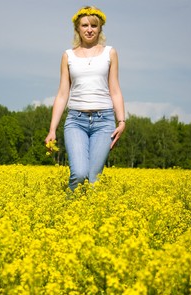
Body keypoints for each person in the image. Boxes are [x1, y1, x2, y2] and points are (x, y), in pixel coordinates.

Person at [45, 6, 126, 191]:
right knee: (79, 174)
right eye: (85, 25)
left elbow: (115, 89)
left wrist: (121, 121)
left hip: (104, 121)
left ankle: (88, 217)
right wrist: (52, 130)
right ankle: (70, 215)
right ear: (77, 28)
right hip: (76, 121)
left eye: (94, 26)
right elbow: (62, 94)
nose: (89, 29)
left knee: (93, 180)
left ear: (100, 29)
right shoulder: (68, 56)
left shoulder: (110, 53)